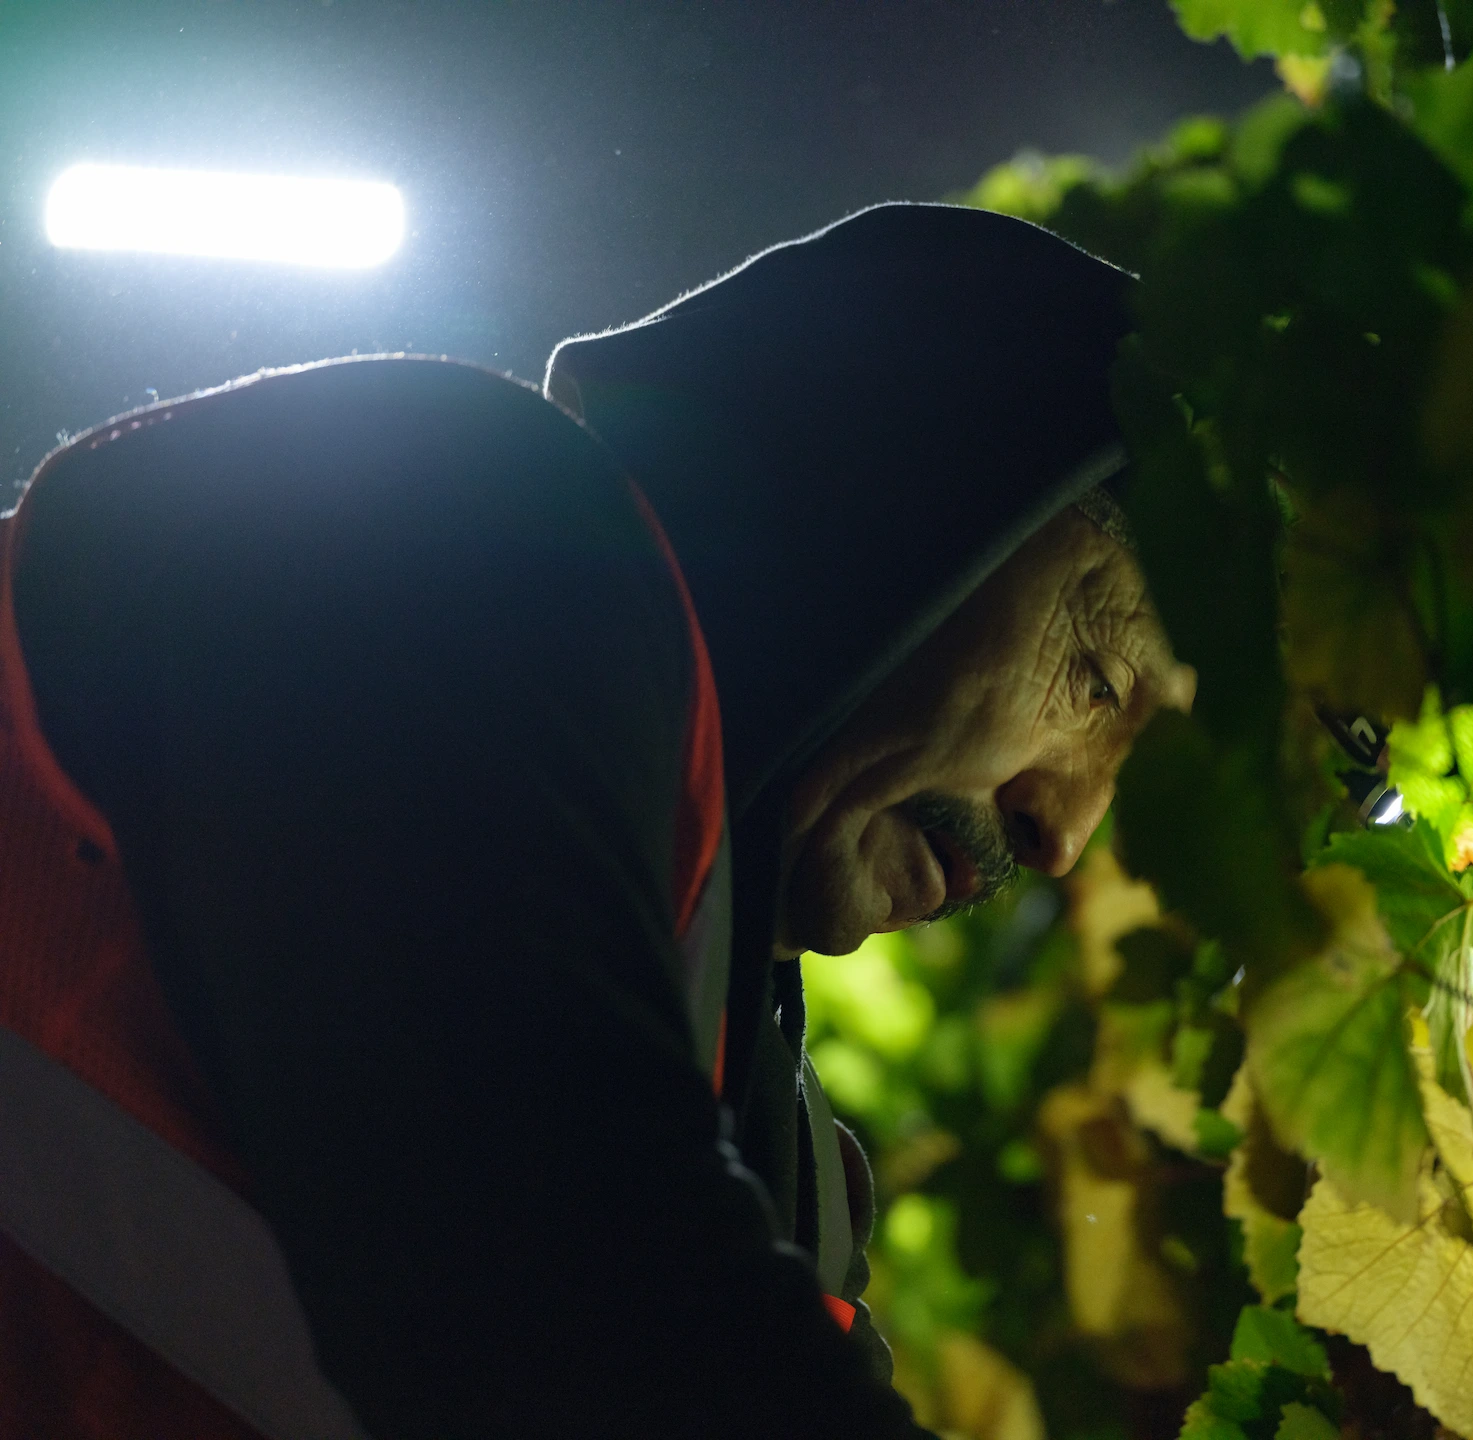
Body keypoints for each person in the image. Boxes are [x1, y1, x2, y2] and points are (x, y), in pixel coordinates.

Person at [0, 202, 1193, 1439]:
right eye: (1095, 680)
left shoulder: (781, 1165)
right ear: (914, 504)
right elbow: (576, 1290)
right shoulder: (445, 532)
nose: (1069, 833)